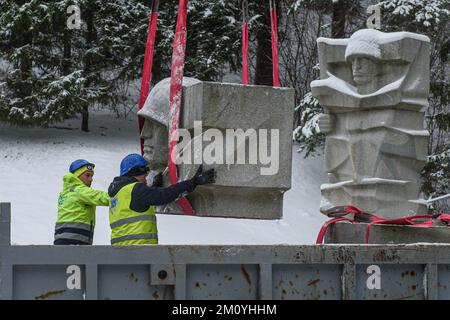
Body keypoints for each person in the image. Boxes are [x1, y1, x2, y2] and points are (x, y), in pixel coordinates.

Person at [108, 153, 216, 245]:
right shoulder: (136, 189)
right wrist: (193, 182)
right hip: (138, 250)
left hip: (121, 249)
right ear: (135, 172)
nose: (146, 176)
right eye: (144, 173)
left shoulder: (117, 193)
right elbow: (164, 195)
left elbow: (136, 205)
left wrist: (154, 188)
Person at [54, 160, 110, 245]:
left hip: (62, 240)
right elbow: (101, 197)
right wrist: (120, 195)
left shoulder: (65, 192)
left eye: (92, 176)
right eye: (87, 175)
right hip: (75, 241)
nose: (91, 179)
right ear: (77, 176)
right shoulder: (80, 191)